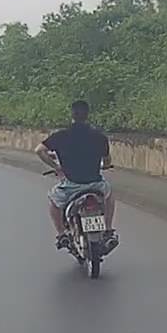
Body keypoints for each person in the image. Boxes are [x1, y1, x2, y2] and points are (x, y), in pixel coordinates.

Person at [35, 100, 118, 251]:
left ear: (72, 115)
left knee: (54, 203)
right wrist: (105, 166)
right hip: (95, 184)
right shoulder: (99, 137)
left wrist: (57, 167)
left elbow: (39, 150)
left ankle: (62, 235)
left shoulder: (61, 136)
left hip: (71, 185)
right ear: (87, 115)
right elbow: (107, 160)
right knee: (109, 196)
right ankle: (108, 230)